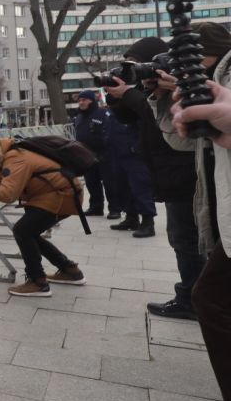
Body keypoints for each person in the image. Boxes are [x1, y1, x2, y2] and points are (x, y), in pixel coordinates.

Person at [164, 21, 231, 401]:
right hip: (220, 212)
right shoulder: (216, 81)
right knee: (211, 295)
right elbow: (182, 141)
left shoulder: (225, 75)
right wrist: (156, 98)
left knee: (212, 298)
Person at [105, 37, 201, 320]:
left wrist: (139, 93)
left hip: (181, 171)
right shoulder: (150, 90)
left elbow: (165, 119)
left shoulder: (180, 89)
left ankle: (194, 299)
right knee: (182, 237)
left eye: (138, 65)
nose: (137, 73)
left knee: (186, 238)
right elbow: (128, 117)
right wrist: (117, 95)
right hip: (167, 171)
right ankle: (195, 295)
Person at [0, 133, 84, 297]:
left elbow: (8, 194)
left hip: (61, 195)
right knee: (29, 233)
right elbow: (7, 183)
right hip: (52, 194)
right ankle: (70, 271)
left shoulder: (15, 158)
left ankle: (38, 282)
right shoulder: (5, 156)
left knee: (23, 231)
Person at [104, 39, 160, 237]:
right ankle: (131, 217)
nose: (129, 68)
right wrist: (113, 96)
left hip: (136, 148)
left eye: (134, 62)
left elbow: (146, 117)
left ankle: (148, 221)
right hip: (119, 150)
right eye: (126, 63)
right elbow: (122, 115)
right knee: (123, 186)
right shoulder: (131, 89)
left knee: (140, 186)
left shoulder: (148, 90)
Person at [72, 90, 109, 216]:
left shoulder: (102, 113)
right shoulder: (79, 116)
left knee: (109, 183)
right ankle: (96, 207)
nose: (81, 102)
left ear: (91, 100)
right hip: (86, 155)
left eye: (84, 100)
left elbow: (108, 132)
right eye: (79, 100)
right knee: (91, 183)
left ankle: (114, 209)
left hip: (103, 154)